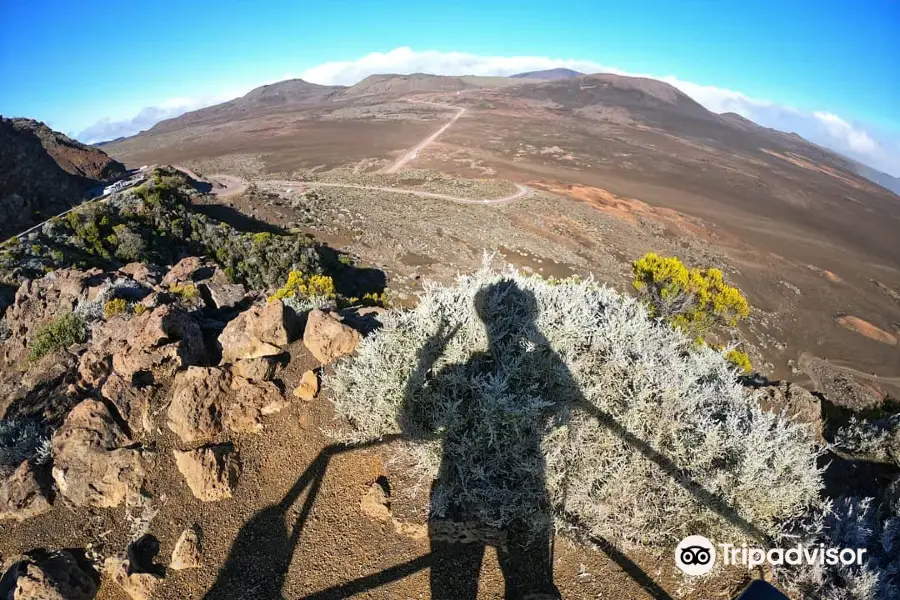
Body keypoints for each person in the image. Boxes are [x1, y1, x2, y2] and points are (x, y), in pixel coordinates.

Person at [400, 279, 578, 600]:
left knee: (453, 586)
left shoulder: (458, 376)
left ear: (482, 320)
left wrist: (424, 363)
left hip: (461, 503)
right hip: (522, 501)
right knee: (530, 586)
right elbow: (563, 416)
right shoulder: (540, 376)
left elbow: (415, 426)